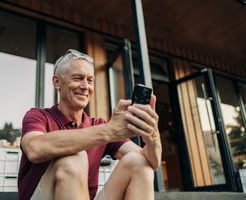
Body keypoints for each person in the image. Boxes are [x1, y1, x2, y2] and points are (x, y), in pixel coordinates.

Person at [18, 49, 162, 200]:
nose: (85, 86)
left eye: (90, 80)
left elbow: (149, 161)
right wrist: (109, 131)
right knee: (73, 156)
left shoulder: (98, 125)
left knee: (138, 163)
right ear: (57, 82)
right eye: (78, 78)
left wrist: (153, 137)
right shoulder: (39, 116)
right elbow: (35, 148)